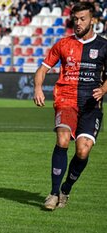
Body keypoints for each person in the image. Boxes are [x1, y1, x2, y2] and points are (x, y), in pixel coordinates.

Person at [33, 2, 107, 211]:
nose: (78, 23)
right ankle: (53, 193)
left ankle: (66, 189)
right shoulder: (63, 44)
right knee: (63, 139)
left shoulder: (103, 46)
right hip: (66, 100)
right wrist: (38, 88)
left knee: (83, 151)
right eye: (75, 19)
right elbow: (42, 69)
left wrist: (103, 89)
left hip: (91, 104)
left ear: (93, 20)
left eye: (82, 19)